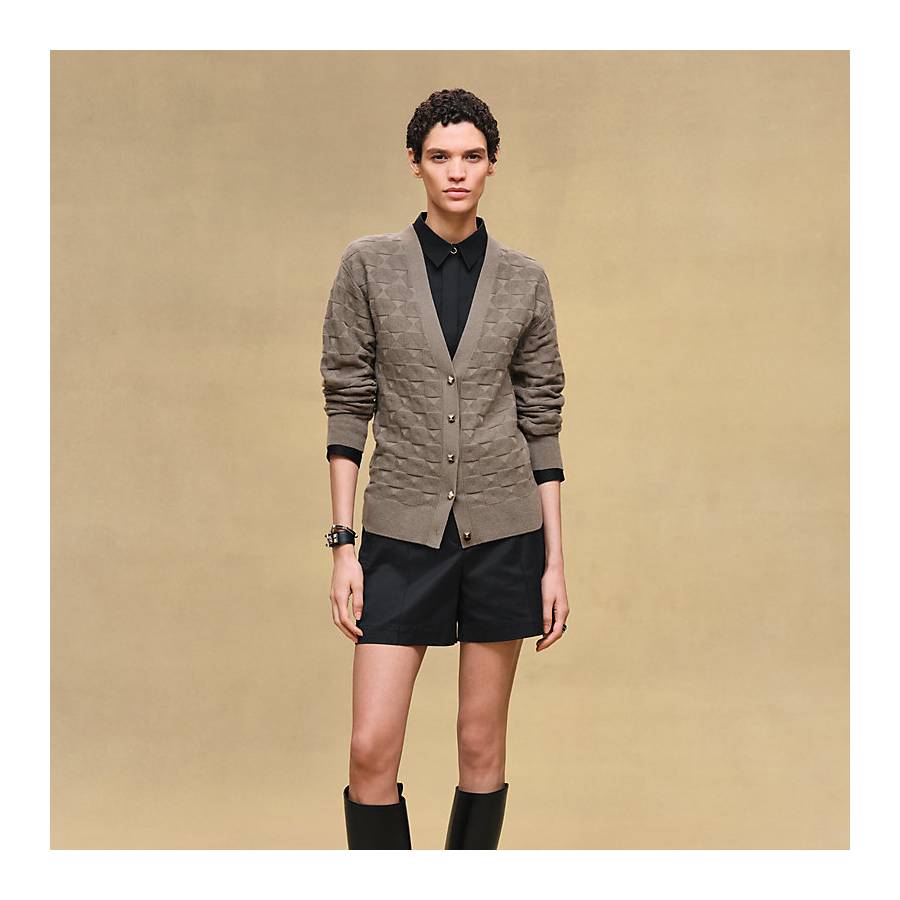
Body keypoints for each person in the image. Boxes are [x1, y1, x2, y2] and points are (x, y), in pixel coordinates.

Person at [320, 88, 570, 850]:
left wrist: (554, 563)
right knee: (371, 748)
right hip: (401, 536)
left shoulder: (525, 279)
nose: (456, 172)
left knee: (480, 746)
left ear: (492, 165)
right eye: (439, 157)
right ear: (415, 164)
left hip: (504, 538)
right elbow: (347, 402)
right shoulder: (368, 266)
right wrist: (344, 546)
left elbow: (542, 421)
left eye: (471, 156)